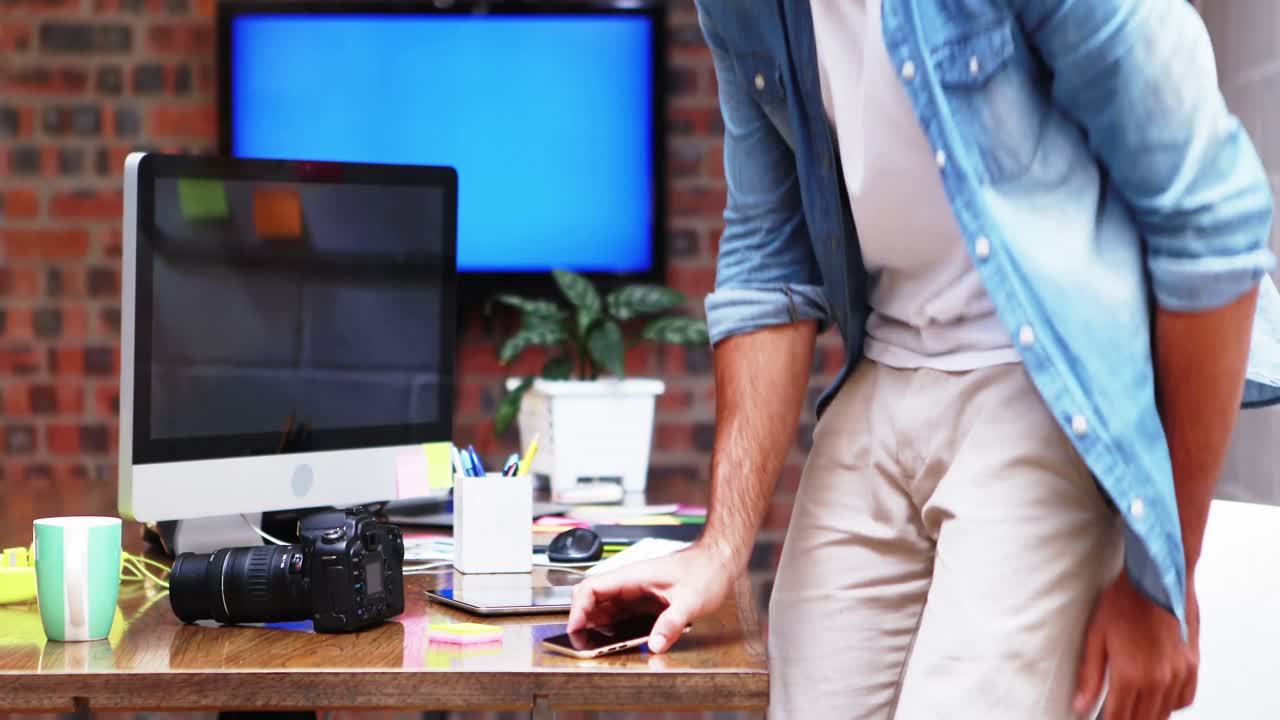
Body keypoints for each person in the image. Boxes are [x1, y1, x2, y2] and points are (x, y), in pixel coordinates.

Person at [568, 1, 1280, 718]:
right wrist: (720, 547)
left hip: (1040, 381)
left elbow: (1213, 220)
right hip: (885, 369)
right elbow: (767, 254)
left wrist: (1163, 584)